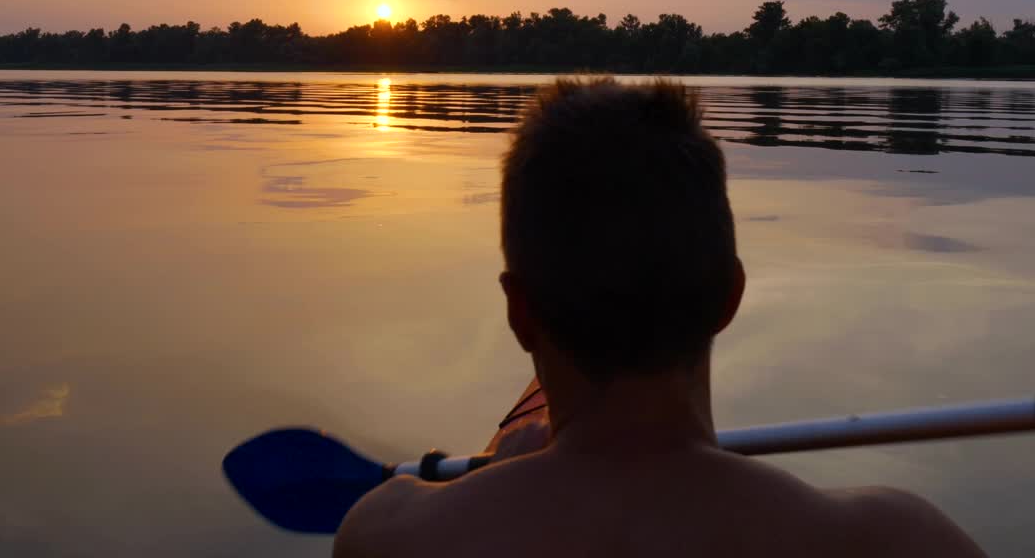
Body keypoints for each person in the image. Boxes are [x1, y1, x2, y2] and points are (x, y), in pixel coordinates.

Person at [334, 77, 985, 557]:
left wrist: (501, 462)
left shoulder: (388, 532)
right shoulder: (892, 539)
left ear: (520, 310)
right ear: (729, 297)